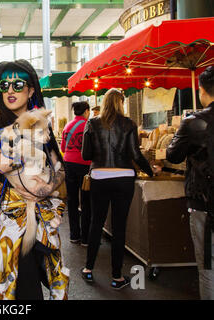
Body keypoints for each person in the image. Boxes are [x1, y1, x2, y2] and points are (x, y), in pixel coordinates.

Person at [0, 59, 69, 300]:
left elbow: (59, 168)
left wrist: (45, 189)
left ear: (30, 90)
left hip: (42, 215)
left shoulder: (42, 123)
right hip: (7, 217)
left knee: (44, 276)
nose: (10, 90)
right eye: (4, 85)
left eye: (18, 84)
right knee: (15, 282)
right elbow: (0, 163)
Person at [80, 88, 159, 290]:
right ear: (121, 103)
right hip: (124, 178)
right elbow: (135, 154)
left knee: (96, 222)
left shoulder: (92, 123)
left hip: (99, 176)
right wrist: (151, 172)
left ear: (104, 102)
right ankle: (117, 277)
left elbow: (86, 154)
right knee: (119, 226)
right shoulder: (129, 124)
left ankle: (88, 269)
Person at [166, 66, 214, 300]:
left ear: (202, 90)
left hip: (204, 200)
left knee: (208, 267)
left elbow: (173, 155)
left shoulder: (194, 122)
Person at [60, 101, 91, 245]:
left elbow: (63, 148)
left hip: (69, 164)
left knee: (72, 201)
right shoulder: (89, 125)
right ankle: (86, 238)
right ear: (86, 111)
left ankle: (74, 235)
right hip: (85, 166)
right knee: (86, 201)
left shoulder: (67, 126)